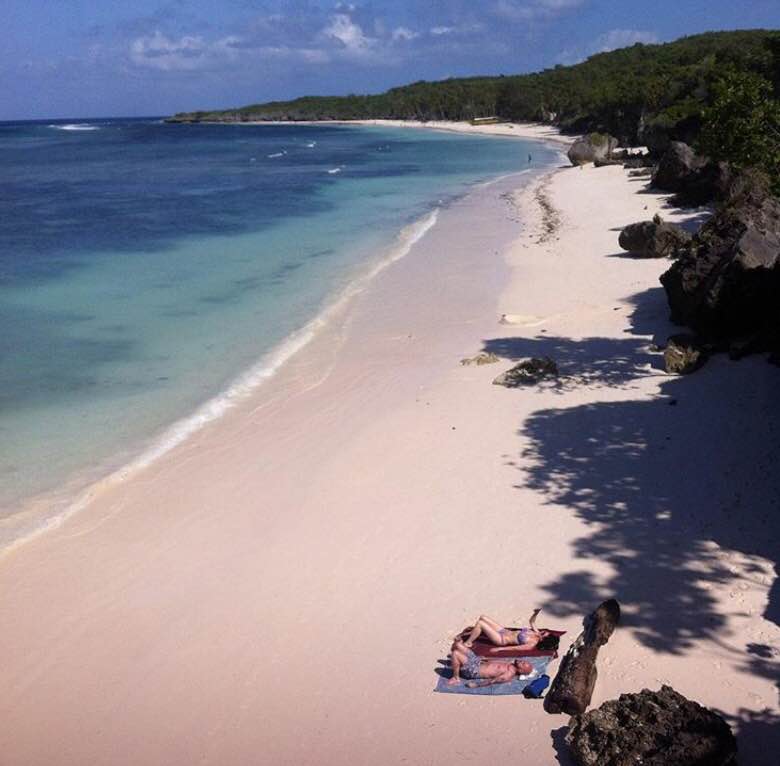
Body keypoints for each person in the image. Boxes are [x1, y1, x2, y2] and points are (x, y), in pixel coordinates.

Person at [447, 639, 534, 688]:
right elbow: (495, 661)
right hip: (478, 661)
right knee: (457, 644)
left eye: (523, 664)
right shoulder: (511, 663)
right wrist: (484, 658)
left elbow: (493, 681)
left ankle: (456, 677)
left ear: (520, 671)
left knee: (455, 653)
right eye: (524, 661)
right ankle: (456, 662)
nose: (522, 661)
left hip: (473, 670)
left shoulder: (508, 674)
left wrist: (476, 685)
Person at [461, 608, 555, 652]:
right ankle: (473, 632)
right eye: (544, 632)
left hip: (501, 639)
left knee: (481, 624)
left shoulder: (531, 644)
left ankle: (468, 642)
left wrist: (499, 649)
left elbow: (515, 648)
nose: (542, 631)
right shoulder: (536, 633)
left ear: (542, 639)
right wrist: (535, 614)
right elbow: (532, 622)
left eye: (543, 634)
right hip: (503, 631)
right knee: (483, 617)